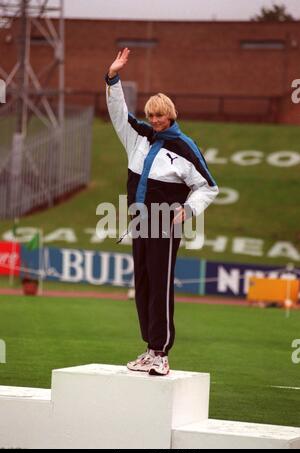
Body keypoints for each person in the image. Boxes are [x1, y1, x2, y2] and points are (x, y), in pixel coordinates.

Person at [105, 48, 219, 376]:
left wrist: (188, 209)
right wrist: (112, 78)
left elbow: (208, 186)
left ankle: (162, 353)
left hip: (164, 226)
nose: (156, 121)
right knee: (142, 285)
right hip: (140, 224)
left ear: (171, 115)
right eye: (152, 115)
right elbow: (117, 112)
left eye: (161, 116)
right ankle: (149, 349)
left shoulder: (185, 147)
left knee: (160, 284)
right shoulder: (138, 137)